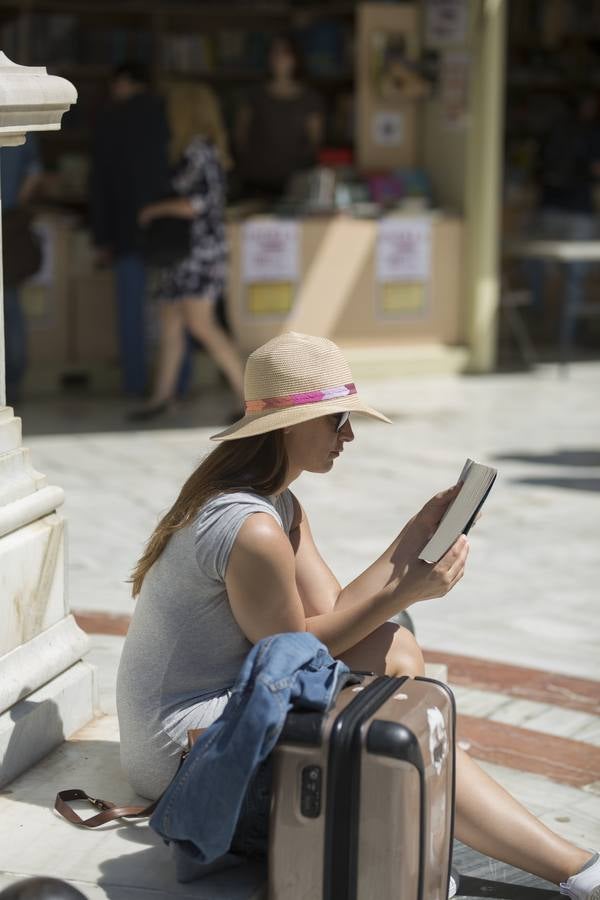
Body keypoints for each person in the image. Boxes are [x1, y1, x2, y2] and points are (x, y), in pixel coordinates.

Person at [117, 332, 599, 899]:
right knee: (395, 681)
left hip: (226, 705)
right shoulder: (252, 528)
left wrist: (413, 537)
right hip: (181, 750)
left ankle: (407, 790)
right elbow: (290, 654)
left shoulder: (277, 503)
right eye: (338, 419)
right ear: (292, 424)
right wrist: (405, 592)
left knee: (392, 646)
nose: (348, 435)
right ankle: (574, 870)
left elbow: (334, 613)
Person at [129, 82, 244, 421]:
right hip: (188, 252)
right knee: (172, 323)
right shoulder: (200, 150)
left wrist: (155, 211)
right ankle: (162, 397)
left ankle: (249, 398)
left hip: (198, 251)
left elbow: (197, 203)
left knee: (200, 324)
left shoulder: (198, 151)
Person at [90, 61, 170, 397]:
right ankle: (176, 381)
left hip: (124, 227)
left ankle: (134, 383)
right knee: (172, 311)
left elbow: (101, 182)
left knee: (131, 312)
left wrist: (102, 235)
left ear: (123, 82)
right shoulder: (167, 116)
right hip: (167, 229)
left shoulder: (111, 119)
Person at [236, 33, 324, 197]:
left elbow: (315, 141)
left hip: (296, 183)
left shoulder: (309, 99)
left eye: (285, 53)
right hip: (256, 182)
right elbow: (241, 137)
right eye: (274, 52)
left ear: (295, 58)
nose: (279, 58)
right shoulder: (254, 96)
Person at [1, 133, 43, 405]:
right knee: (11, 305)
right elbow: (34, 174)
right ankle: (12, 384)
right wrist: (15, 204)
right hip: (9, 220)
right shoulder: (20, 123)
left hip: (7, 220)